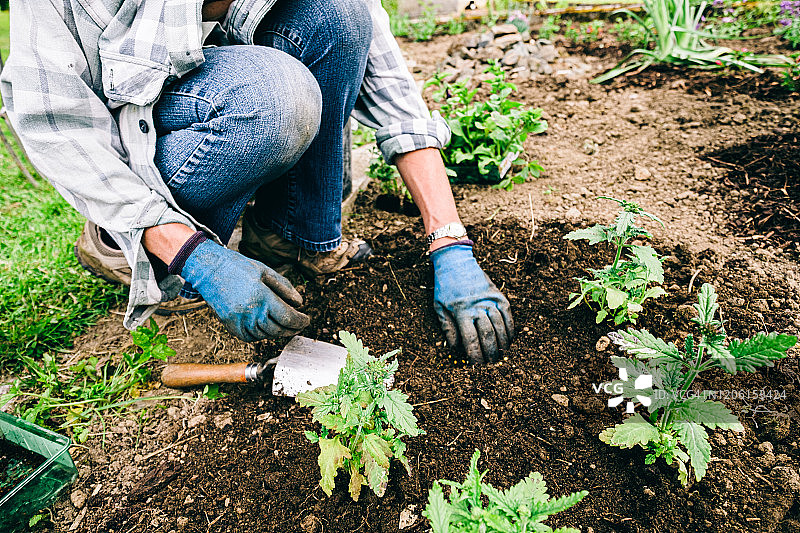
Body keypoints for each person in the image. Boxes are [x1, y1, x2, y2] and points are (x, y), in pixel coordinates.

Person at [1, 0, 513, 363]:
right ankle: (139, 246)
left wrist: (449, 241)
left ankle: (289, 236)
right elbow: (54, 121)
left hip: (227, 84)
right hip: (137, 149)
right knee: (273, 98)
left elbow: (391, 89)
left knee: (340, 13)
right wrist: (194, 257)